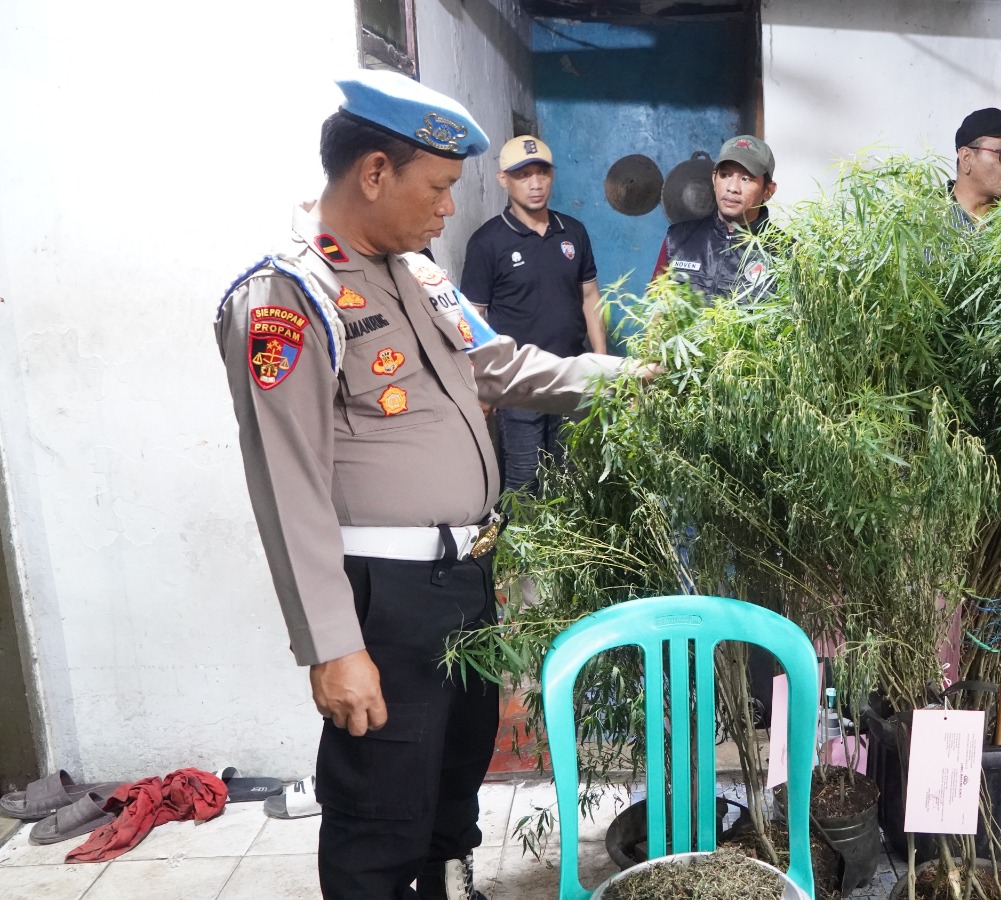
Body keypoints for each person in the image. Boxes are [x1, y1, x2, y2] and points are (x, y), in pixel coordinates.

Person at [214, 70, 642, 900]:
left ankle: (448, 885)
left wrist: (630, 378)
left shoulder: (420, 277)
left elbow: (503, 365)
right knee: (382, 806)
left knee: (453, 778)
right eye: (439, 187)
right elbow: (287, 485)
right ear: (375, 173)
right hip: (386, 600)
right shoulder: (288, 297)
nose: (450, 208)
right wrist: (333, 648)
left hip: (463, 580)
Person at [462, 135, 606, 496]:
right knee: (523, 479)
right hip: (519, 383)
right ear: (503, 179)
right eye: (523, 174)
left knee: (570, 476)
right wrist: (481, 386)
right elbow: (473, 319)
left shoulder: (572, 231)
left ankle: (570, 550)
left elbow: (590, 297)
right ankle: (518, 551)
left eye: (542, 173)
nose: (535, 183)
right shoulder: (487, 242)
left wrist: (602, 364)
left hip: (572, 374)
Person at [651, 134, 778, 302]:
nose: (732, 188)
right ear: (714, 178)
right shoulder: (677, 240)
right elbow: (655, 314)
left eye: (746, 178)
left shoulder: (786, 254)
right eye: (725, 175)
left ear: (768, 191)